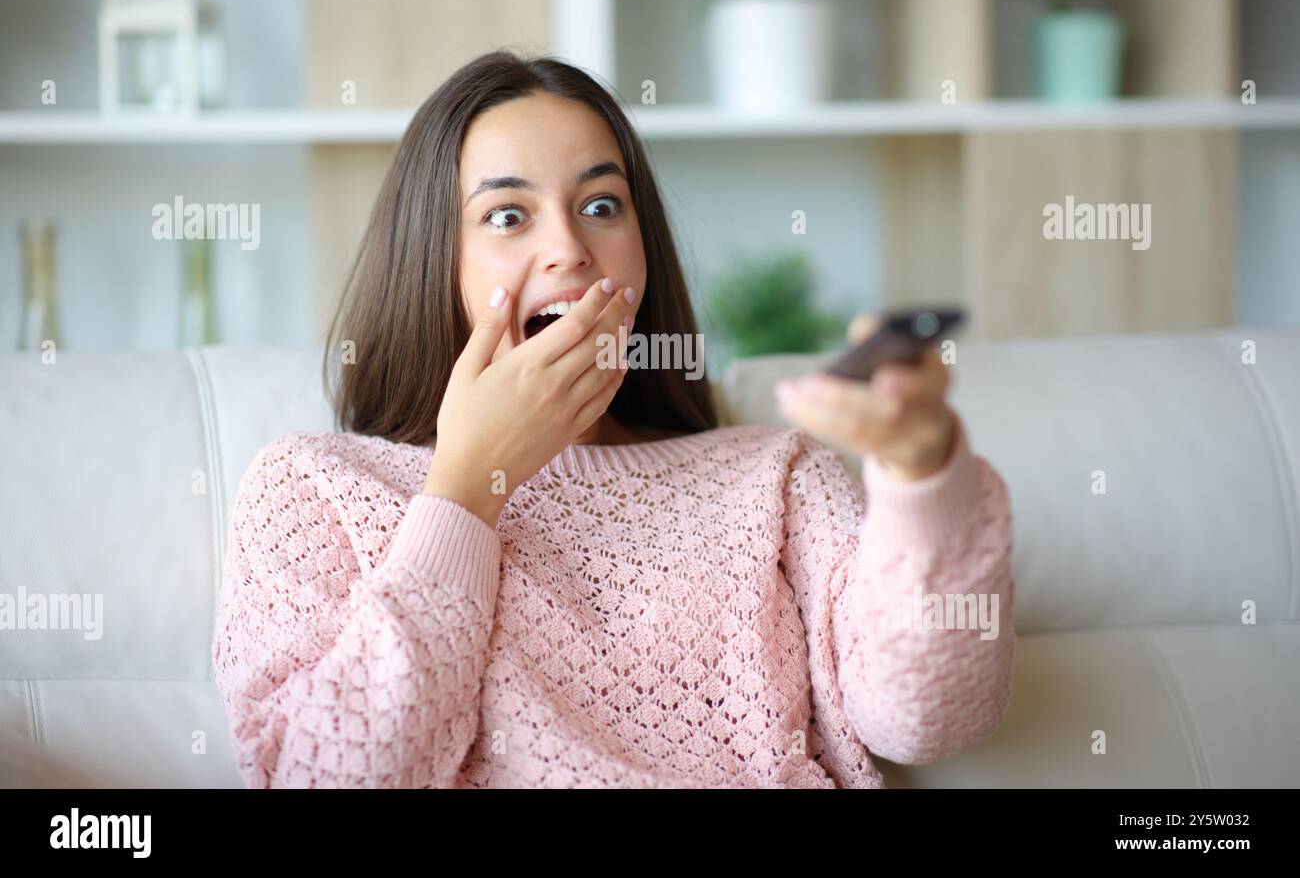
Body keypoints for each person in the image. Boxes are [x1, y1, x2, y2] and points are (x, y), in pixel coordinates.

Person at [211, 49, 1016, 788]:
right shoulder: (315, 488)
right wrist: (465, 488)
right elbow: (319, 778)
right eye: (507, 215)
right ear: (434, 258)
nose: (569, 248)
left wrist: (924, 478)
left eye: (601, 204)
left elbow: (925, 720)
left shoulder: (775, 475)